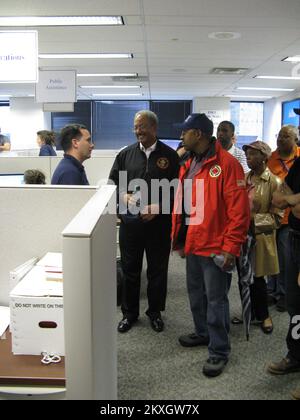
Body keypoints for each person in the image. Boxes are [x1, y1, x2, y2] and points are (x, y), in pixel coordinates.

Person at [172, 113, 250, 377]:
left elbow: (239, 211)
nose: (181, 136)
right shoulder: (189, 162)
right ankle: (203, 333)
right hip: (194, 241)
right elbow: (183, 203)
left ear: (199, 134)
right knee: (196, 294)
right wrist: (180, 238)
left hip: (217, 245)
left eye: (185, 132)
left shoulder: (227, 164)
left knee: (216, 301)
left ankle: (219, 350)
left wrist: (231, 247)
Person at [109, 110, 179, 334]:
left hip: (159, 226)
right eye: (135, 127)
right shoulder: (125, 155)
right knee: (130, 269)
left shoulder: (170, 156)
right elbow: (113, 185)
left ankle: (155, 312)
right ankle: (129, 314)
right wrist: (123, 196)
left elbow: (179, 191)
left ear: (154, 128)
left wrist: (159, 207)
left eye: (142, 127)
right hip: (131, 225)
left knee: (157, 271)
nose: (138, 131)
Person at [242, 141, 283, 334]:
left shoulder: (275, 182)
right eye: (247, 154)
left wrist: (252, 219)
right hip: (241, 236)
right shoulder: (243, 179)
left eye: (252, 154)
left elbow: (277, 218)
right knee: (244, 277)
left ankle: (264, 315)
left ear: (264, 157)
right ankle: (249, 311)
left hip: (260, 238)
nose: (248, 157)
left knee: (258, 278)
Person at [267, 157, 300, 395]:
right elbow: (278, 196)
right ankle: (295, 355)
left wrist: (291, 199)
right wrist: (293, 199)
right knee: (295, 304)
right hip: (295, 238)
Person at [267, 125, 300, 311]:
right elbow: (276, 191)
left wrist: (289, 196)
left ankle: (284, 294)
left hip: (291, 220)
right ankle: (272, 290)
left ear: (295, 139)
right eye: (279, 136)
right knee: (272, 255)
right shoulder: (271, 159)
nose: (280, 139)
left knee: (287, 258)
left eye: (285, 136)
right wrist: (290, 196)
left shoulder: (299, 158)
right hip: (274, 215)